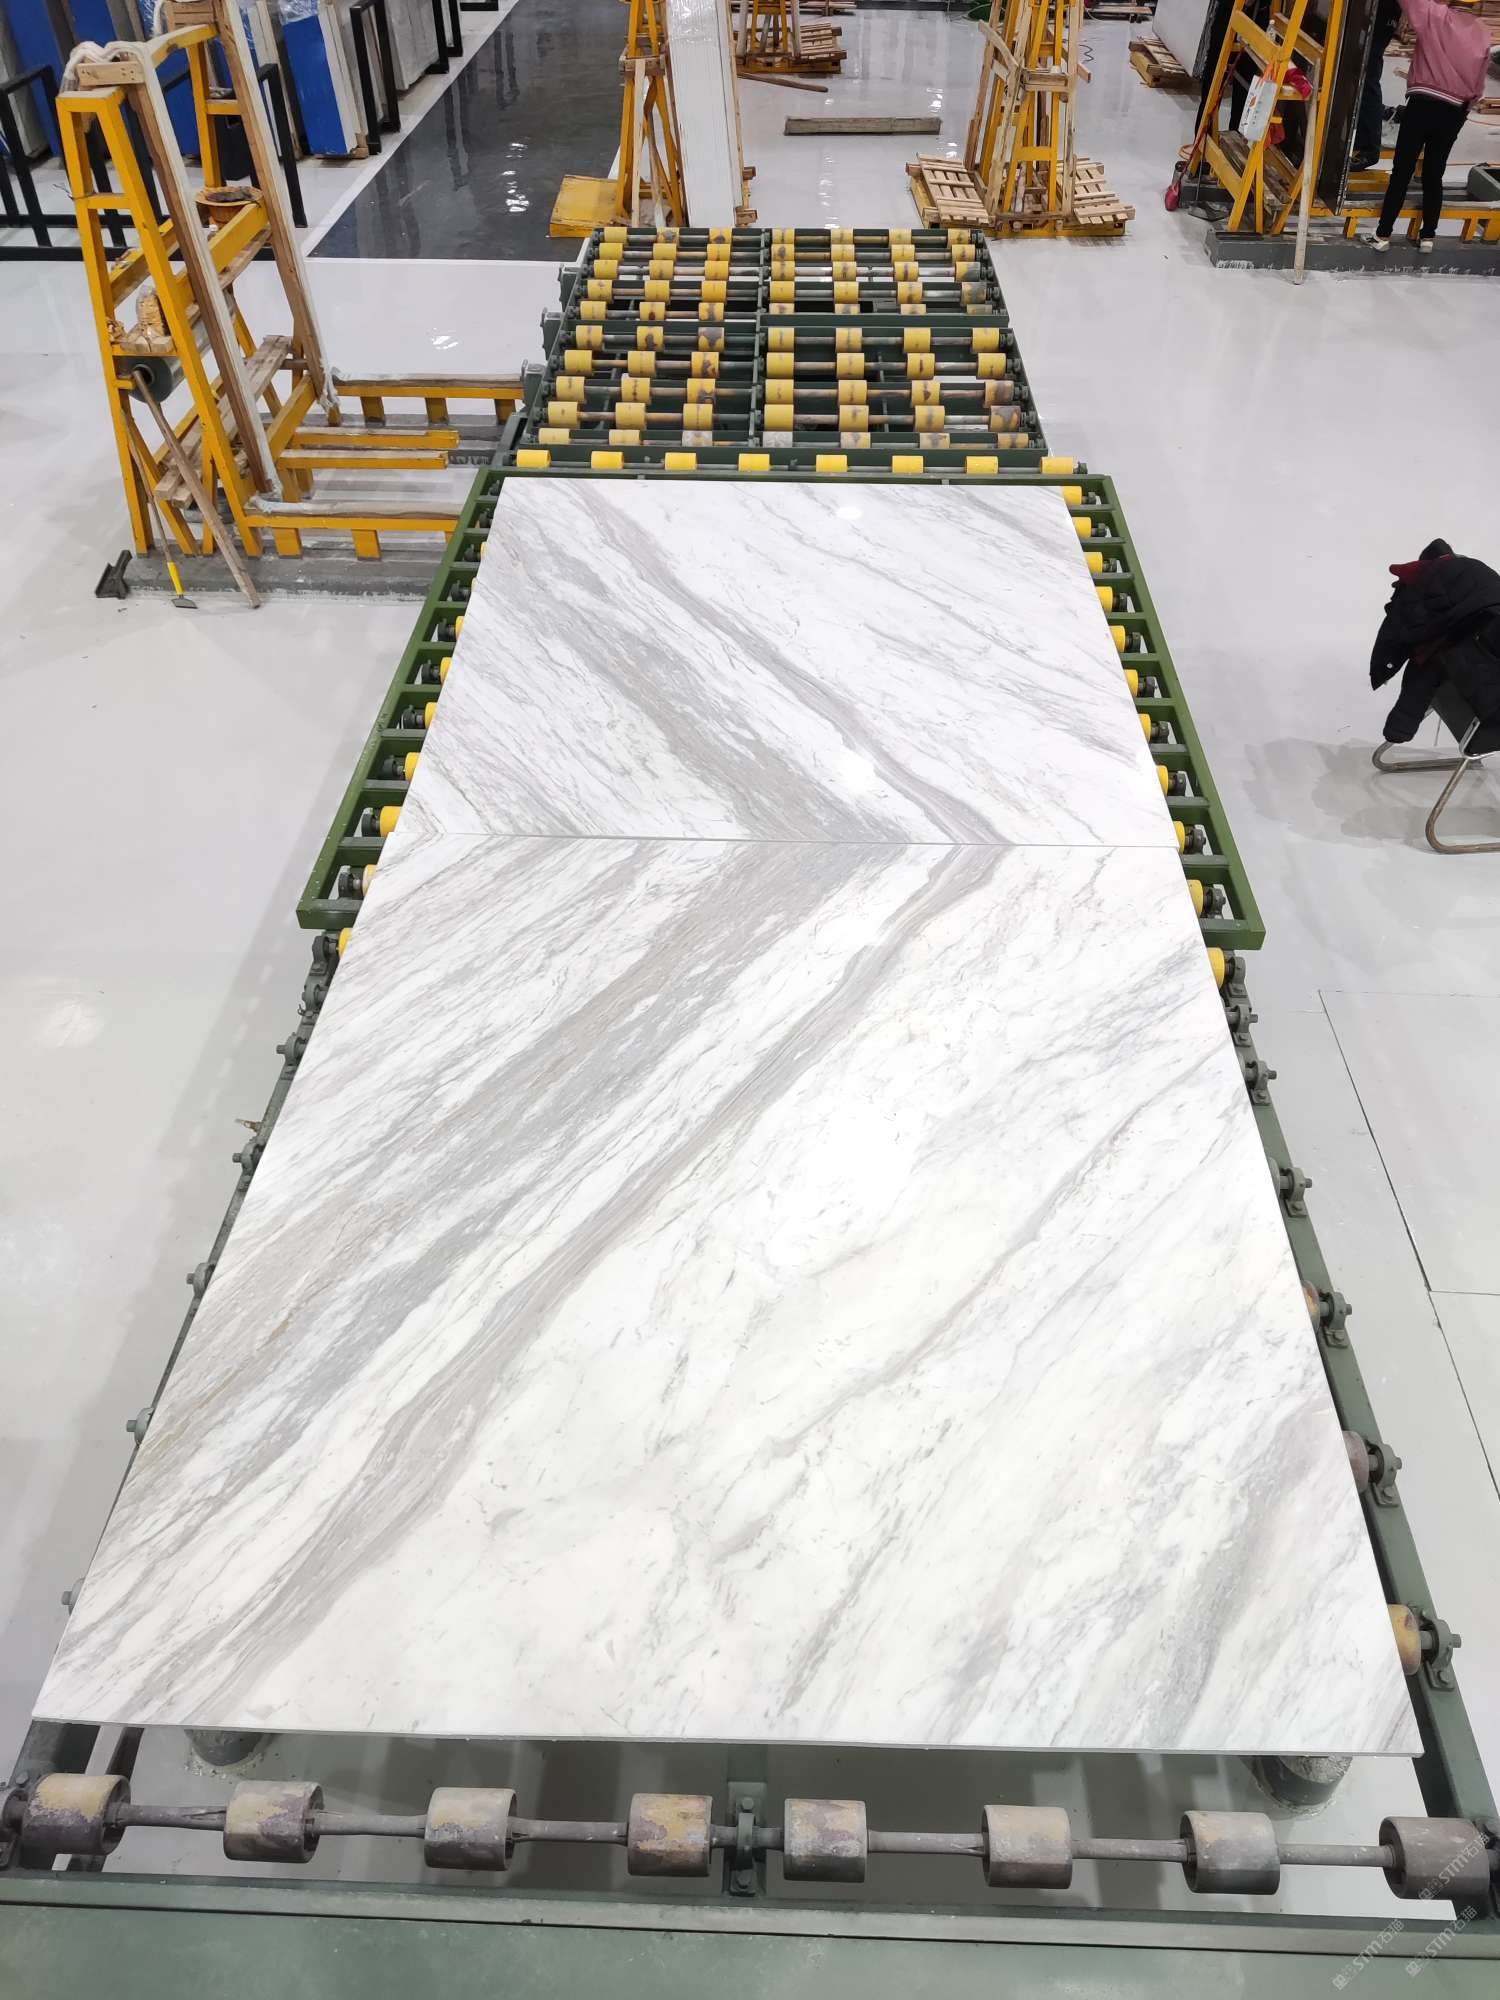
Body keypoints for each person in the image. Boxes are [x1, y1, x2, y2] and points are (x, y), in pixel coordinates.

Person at [1372, 0, 1492, 249]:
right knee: (1434, 173)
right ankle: (1428, 237)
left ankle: (1383, 235)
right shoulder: (1482, 31)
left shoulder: (1433, 14)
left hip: (1423, 103)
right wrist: (1463, 109)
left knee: (1402, 171)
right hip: (1455, 111)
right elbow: (1479, 84)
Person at [1370, 540, 1500, 743]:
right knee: (1434, 661)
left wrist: (1384, 667)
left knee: (1426, 665)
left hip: (1458, 646)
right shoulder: (1473, 570)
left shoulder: (1418, 583)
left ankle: (1398, 732)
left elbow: (1395, 631)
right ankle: (1399, 731)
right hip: (1482, 639)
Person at [1352, 0, 1402, 170]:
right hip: (1372, 10)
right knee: (1355, 73)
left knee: (1368, 76)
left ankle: (1369, 149)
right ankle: (1358, 138)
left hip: (1381, 11)